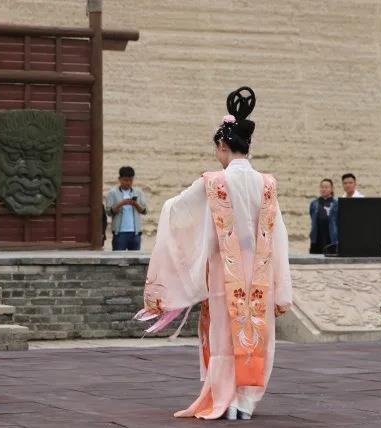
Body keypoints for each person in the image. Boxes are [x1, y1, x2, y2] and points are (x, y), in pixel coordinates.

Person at [135, 87, 292, 421]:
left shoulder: (213, 181)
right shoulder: (267, 184)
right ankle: (245, 403)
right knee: (256, 335)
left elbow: (176, 211)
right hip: (259, 274)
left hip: (225, 273)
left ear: (222, 145)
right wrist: (281, 283)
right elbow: (279, 233)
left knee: (223, 336)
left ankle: (223, 397)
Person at [105, 166, 148, 251]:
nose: (128, 183)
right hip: (119, 233)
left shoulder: (138, 192)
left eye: (130, 180)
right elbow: (109, 212)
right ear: (119, 179)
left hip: (135, 233)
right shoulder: (112, 193)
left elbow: (144, 211)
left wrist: (135, 204)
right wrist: (121, 204)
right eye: (125, 180)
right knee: (118, 258)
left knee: (135, 258)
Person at [309, 179, 339, 254]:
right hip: (316, 238)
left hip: (331, 238)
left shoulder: (336, 204)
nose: (324, 189)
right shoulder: (314, 203)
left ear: (332, 189)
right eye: (322, 187)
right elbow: (312, 216)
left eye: (326, 187)